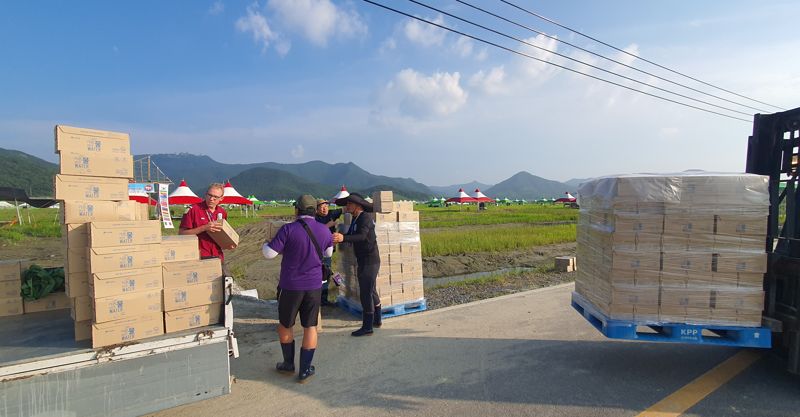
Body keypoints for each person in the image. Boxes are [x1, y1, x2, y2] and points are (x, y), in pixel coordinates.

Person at [263, 195, 333, 383]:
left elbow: (269, 254)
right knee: (310, 326)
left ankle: (288, 364)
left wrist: (266, 243)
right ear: (315, 210)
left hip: (290, 286)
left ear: (297, 211)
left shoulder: (288, 229)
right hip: (314, 286)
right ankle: (304, 369)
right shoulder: (324, 231)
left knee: (286, 325)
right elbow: (328, 253)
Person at [331, 193, 381, 337]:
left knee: (366, 293)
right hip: (364, 260)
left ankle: (367, 327)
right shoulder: (355, 218)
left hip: (370, 261)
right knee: (371, 291)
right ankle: (377, 320)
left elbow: (362, 236)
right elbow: (354, 236)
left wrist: (343, 238)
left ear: (357, 205)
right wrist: (340, 238)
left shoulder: (365, 217)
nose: (347, 206)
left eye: (349, 204)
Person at [179, 183, 237, 276]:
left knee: (224, 284)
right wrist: (204, 228)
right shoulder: (193, 209)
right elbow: (182, 234)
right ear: (205, 194)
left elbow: (222, 235)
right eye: (209, 195)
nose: (211, 199)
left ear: (221, 198)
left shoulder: (222, 212)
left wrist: (228, 244)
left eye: (215, 197)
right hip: (199, 256)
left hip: (218, 257)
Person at [315, 199, 342, 305]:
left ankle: (324, 297)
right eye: (321, 207)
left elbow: (344, 210)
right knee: (324, 274)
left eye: (326, 206)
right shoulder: (315, 218)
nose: (324, 208)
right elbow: (315, 231)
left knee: (328, 272)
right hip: (319, 251)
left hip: (329, 251)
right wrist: (329, 225)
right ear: (316, 209)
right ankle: (322, 300)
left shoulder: (331, 213)